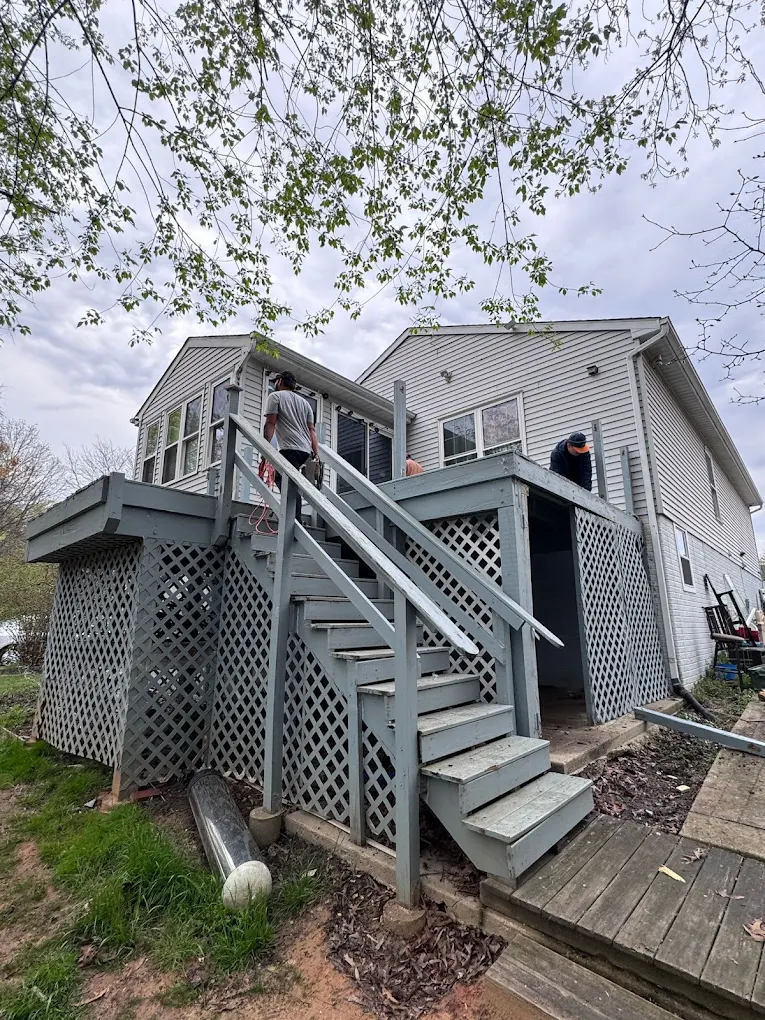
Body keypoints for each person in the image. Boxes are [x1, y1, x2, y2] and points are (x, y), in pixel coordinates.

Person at [262, 371, 319, 518]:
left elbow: (270, 423)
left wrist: (264, 449)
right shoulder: (305, 403)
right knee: (289, 481)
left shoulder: (275, 397)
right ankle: (291, 516)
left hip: (289, 449)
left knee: (285, 482)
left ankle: (294, 520)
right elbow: (312, 430)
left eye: (276, 381)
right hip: (305, 451)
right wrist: (316, 454)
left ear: (280, 382)